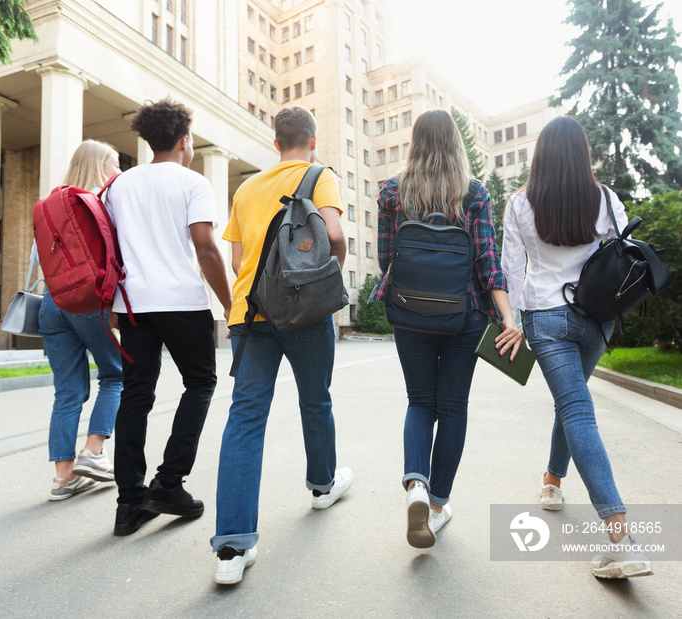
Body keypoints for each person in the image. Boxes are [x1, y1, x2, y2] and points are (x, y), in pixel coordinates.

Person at [501, 115, 653, 579]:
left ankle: (620, 538)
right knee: (574, 406)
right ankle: (552, 482)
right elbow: (627, 251)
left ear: (540, 155)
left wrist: (513, 321)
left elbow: (510, 270)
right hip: (596, 318)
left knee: (575, 410)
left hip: (546, 318)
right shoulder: (605, 198)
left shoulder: (520, 203)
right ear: (582, 155)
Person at [211, 105, 352, 585]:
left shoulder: (246, 188)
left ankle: (232, 546)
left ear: (275, 143)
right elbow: (333, 234)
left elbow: (237, 261)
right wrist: (326, 270)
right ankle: (322, 486)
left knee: (245, 418)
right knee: (316, 401)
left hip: (249, 314)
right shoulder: (320, 175)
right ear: (312, 141)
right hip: (306, 312)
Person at [370, 110, 522, 549]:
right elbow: (487, 263)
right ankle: (437, 505)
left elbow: (386, 259)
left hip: (409, 312)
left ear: (415, 142)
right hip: (465, 313)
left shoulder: (392, 192)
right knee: (452, 408)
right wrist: (508, 318)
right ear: (456, 142)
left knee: (419, 402)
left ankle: (415, 484)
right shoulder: (472, 193)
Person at [104, 98, 233, 536]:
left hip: (133, 305)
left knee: (135, 396)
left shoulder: (119, 185)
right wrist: (230, 304)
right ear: (184, 140)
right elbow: (206, 248)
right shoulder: (193, 184)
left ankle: (128, 503)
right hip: (181, 301)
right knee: (200, 383)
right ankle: (169, 483)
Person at [39, 139, 123, 501]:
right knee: (117, 374)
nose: (118, 171)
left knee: (68, 390)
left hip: (51, 302)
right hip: (88, 301)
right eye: (115, 163)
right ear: (99, 166)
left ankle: (63, 478)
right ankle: (94, 450)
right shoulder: (101, 203)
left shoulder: (49, 205)